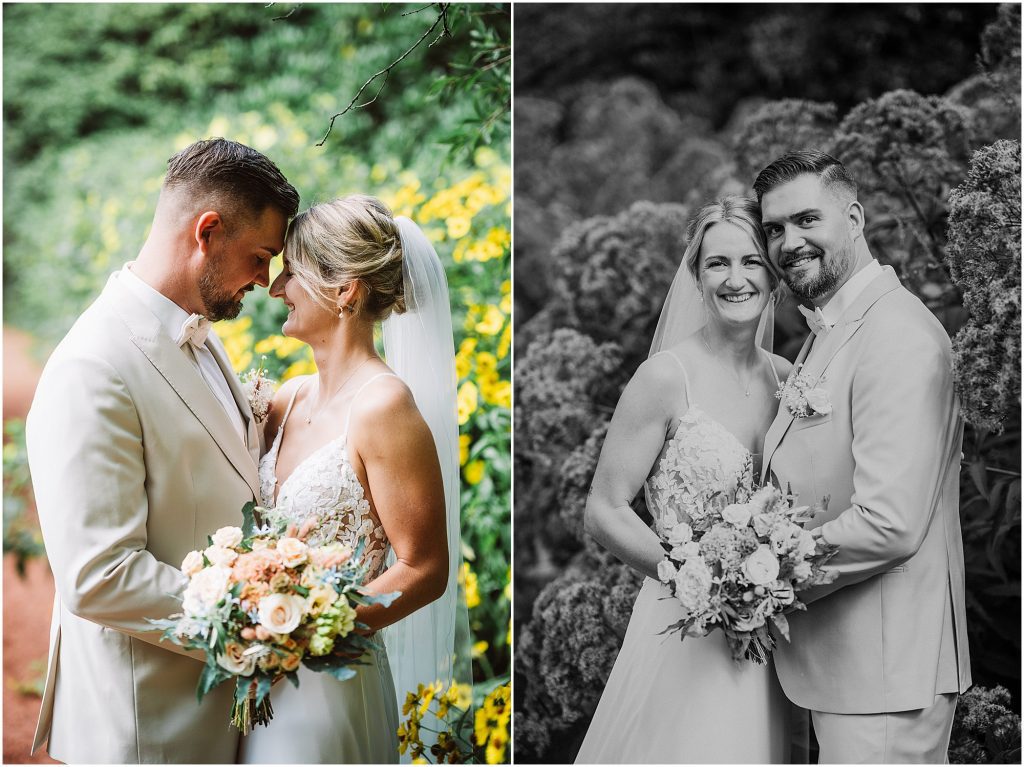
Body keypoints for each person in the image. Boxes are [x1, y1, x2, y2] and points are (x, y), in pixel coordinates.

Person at [26, 138, 300, 763]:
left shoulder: (199, 331)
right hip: (146, 724)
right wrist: (263, 618)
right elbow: (99, 576)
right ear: (207, 231)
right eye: (260, 257)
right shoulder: (93, 366)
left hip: (217, 711)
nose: (266, 280)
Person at [756, 150, 972, 763]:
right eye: (774, 229)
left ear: (853, 218)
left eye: (805, 220)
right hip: (848, 670)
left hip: (886, 678)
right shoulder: (835, 330)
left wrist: (759, 570)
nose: (788, 242)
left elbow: (889, 523)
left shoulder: (896, 335)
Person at [238, 195, 465, 764]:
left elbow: (426, 567)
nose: (275, 287)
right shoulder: (286, 397)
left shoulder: (384, 406)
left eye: (291, 271)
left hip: (331, 680)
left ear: (345, 290)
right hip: (257, 674)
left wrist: (311, 628)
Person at [576, 196, 795, 763]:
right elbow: (605, 510)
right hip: (685, 625)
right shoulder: (665, 378)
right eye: (718, 263)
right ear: (695, 275)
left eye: (751, 261)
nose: (736, 278)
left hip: (771, 635)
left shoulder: (790, 380)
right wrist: (698, 582)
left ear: (773, 273)